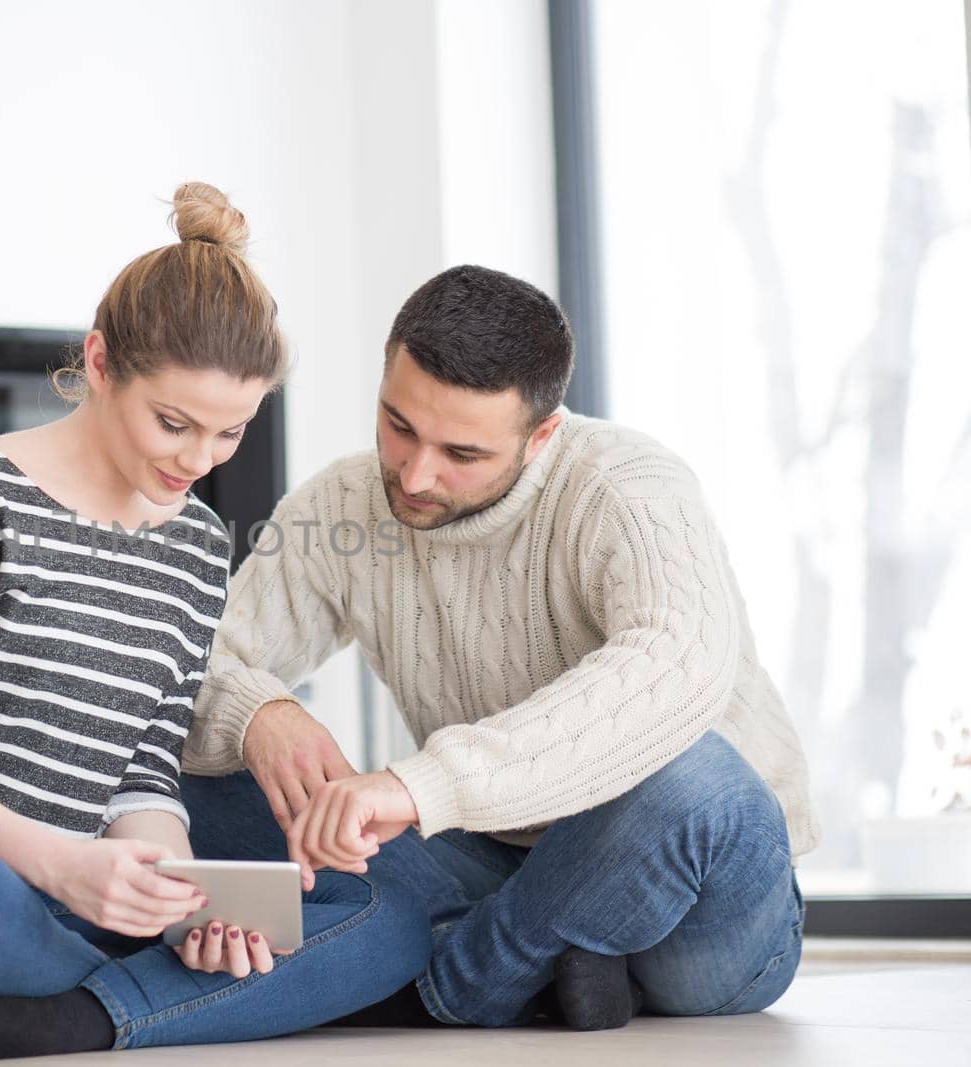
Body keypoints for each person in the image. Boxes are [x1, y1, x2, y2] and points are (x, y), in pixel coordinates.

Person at [0, 183, 431, 1062]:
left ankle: (62, 1006)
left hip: (59, 906)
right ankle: (141, 1000)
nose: (197, 460)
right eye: (173, 422)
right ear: (101, 362)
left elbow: (144, 773)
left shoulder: (195, 546)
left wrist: (180, 897)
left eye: (230, 432)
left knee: (387, 910)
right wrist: (68, 870)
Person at [181, 263, 818, 1030]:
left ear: (541, 434)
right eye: (399, 425)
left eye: (463, 454)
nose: (416, 474)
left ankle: (445, 984)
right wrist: (258, 712)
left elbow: (675, 667)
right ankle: (543, 961)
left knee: (699, 776)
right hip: (486, 862)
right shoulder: (343, 503)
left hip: (686, 896)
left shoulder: (628, 485)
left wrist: (419, 787)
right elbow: (188, 664)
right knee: (190, 767)